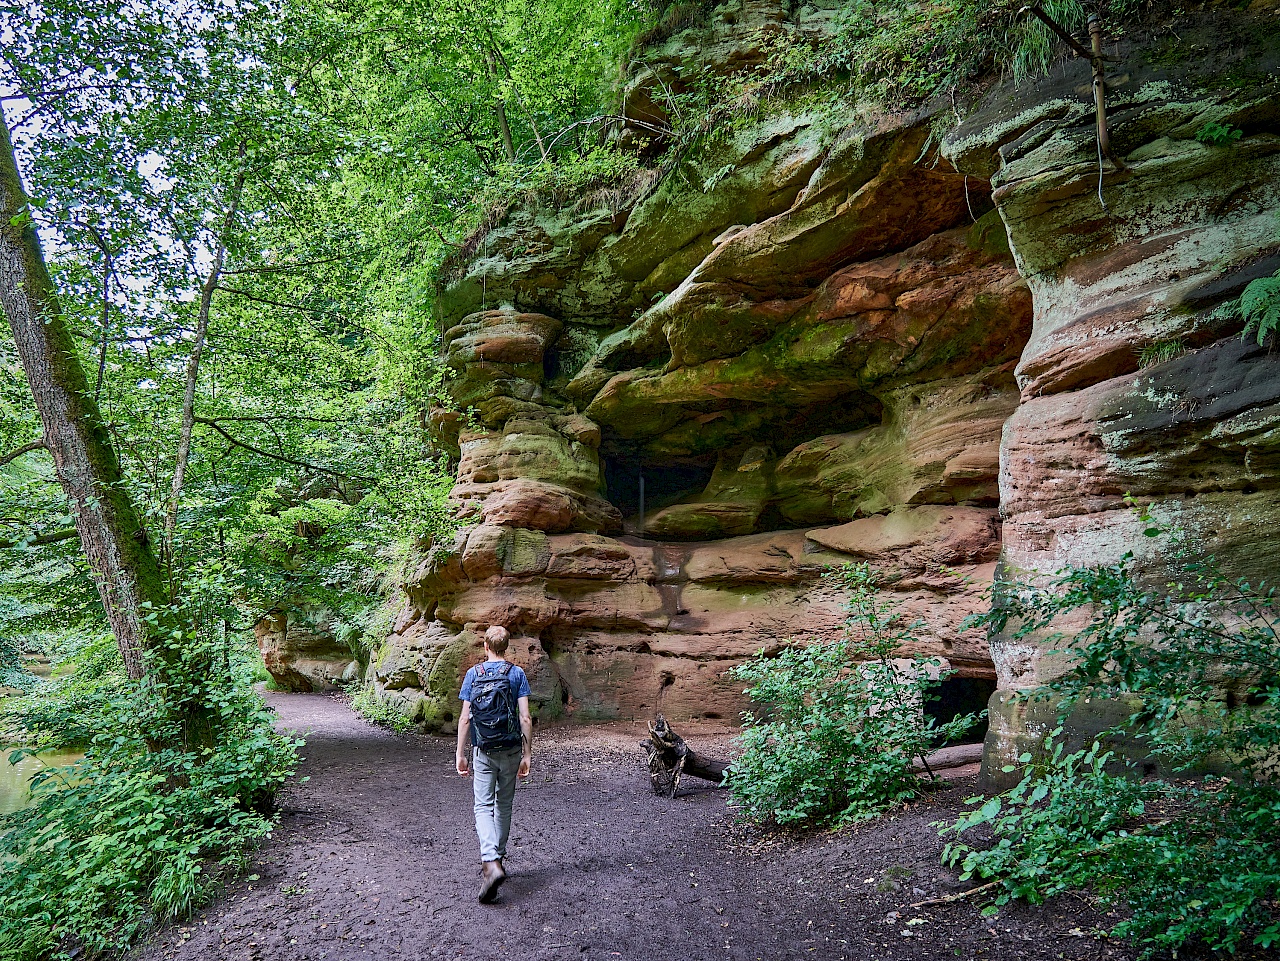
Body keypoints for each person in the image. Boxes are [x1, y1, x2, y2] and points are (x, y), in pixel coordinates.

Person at [455, 625, 532, 903]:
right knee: (504, 805)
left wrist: (460, 754)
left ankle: (491, 862)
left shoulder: (473, 674)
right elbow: (525, 718)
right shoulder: (517, 674)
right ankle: (497, 858)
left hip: (483, 750)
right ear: (506, 647)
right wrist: (527, 754)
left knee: (482, 805)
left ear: (485, 646)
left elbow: (465, 718)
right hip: (511, 750)